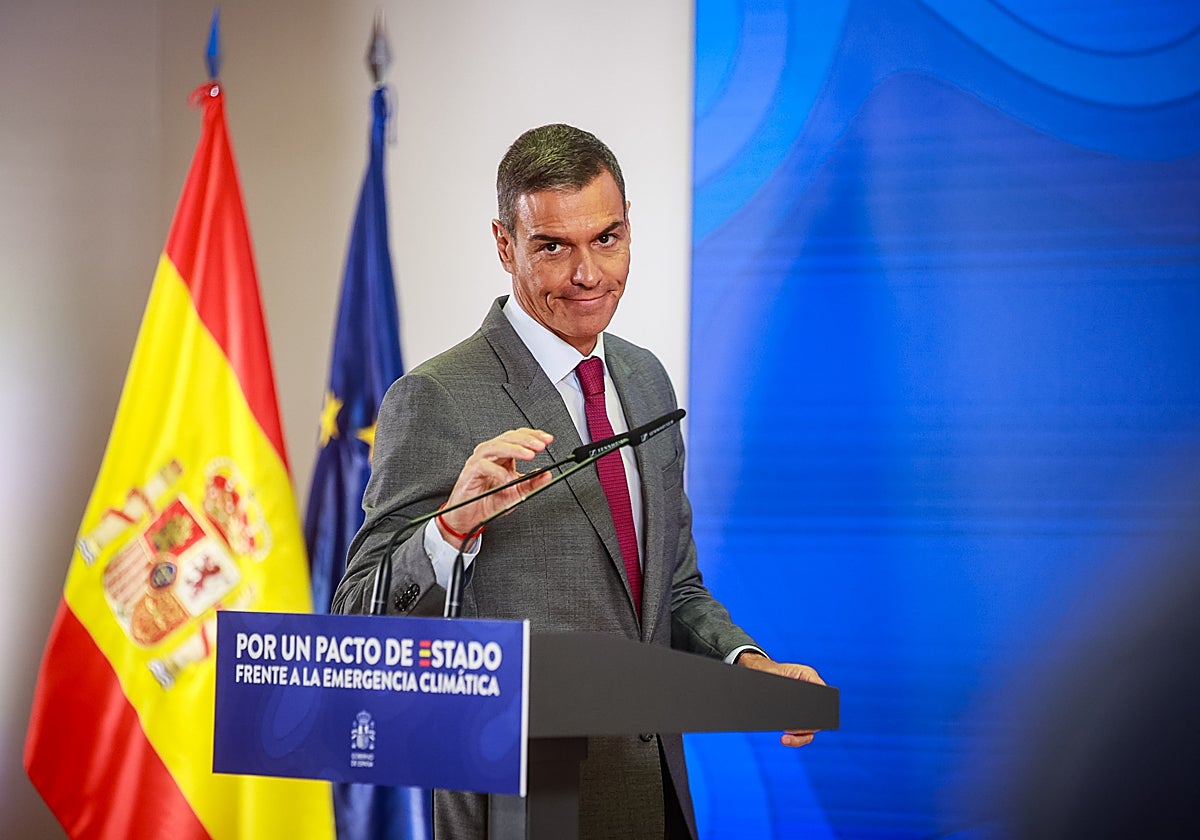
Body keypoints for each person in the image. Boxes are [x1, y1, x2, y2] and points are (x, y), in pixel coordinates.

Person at [332, 123, 824, 840]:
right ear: (505, 245)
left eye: (608, 238)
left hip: (652, 794)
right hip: (519, 807)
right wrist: (450, 526)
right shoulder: (435, 396)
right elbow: (357, 616)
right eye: (553, 246)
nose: (588, 273)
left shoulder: (644, 379)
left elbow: (669, 590)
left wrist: (744, 662)